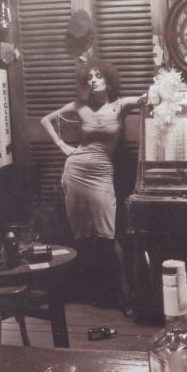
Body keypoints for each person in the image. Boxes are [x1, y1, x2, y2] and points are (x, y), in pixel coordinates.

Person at [40, 59, 146, 315]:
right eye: (90, 77)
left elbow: (145, 99)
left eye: (98, 76)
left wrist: (156, 94)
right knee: (84, 237)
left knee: (108, 236)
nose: (94, 80)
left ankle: (126, 296)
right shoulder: (79, 106)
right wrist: (62, 146)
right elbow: (45, 120)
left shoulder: (120, 106)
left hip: (102, 174)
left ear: (108, 80)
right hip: (75, 171)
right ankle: (97, 292)